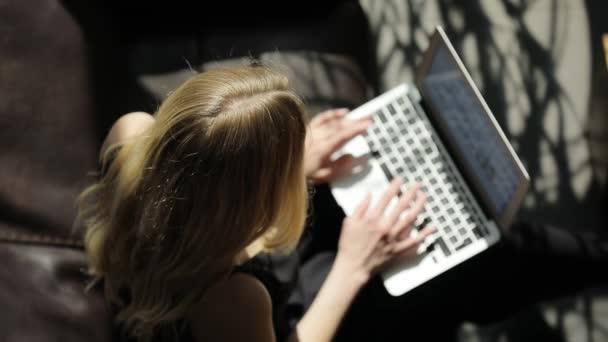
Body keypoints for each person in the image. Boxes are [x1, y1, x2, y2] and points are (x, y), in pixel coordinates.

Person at [76, 65, 436, 341]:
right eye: (287, 166)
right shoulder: (233, 297)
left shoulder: (129, 134)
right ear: (253, 203)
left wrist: (291, 165)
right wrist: (353, 267)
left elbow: (202, 180)